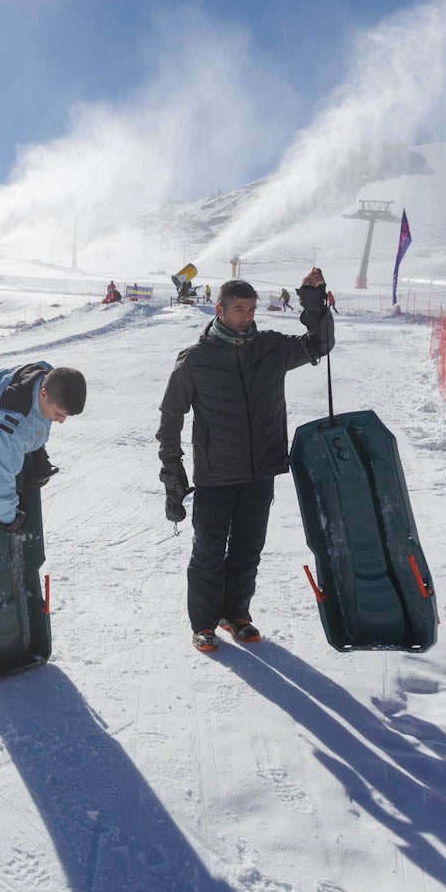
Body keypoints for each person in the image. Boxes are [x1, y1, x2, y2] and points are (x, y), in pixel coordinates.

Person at [157, 268, 335, 652]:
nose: (248, 316)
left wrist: (312, 298)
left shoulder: (271, 348)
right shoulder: (196, 359)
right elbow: (171, 415)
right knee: (208, 550)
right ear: (219, 310)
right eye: (240, 309)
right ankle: (203, 624)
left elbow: (319, 344)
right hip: (216, 473)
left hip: (260, 470)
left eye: (252, 309)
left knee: (248, 548)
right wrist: (172, 467)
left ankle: (236, 614)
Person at [0, 363, 85, 538]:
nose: (60, 421)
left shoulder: (44, 379)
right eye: (59, 414)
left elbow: (33, 420)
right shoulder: (8, 422)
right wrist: (9, 518)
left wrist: (37, 450)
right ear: (43, 394)